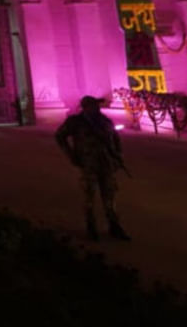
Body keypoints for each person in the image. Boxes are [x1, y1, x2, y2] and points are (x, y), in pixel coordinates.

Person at [55, 95, 131, 241]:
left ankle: (114, 226)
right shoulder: (75, 122)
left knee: (109, 197)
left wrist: (118, 156)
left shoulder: (105, 121)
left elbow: (115, 139)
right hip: (88, 164)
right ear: (85, 107)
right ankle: (91, 227)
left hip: (106, 164)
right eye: (93, 105)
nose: (97, 107)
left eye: (97, 105)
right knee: (89, 198)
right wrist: (71, 155)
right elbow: (60, 136)